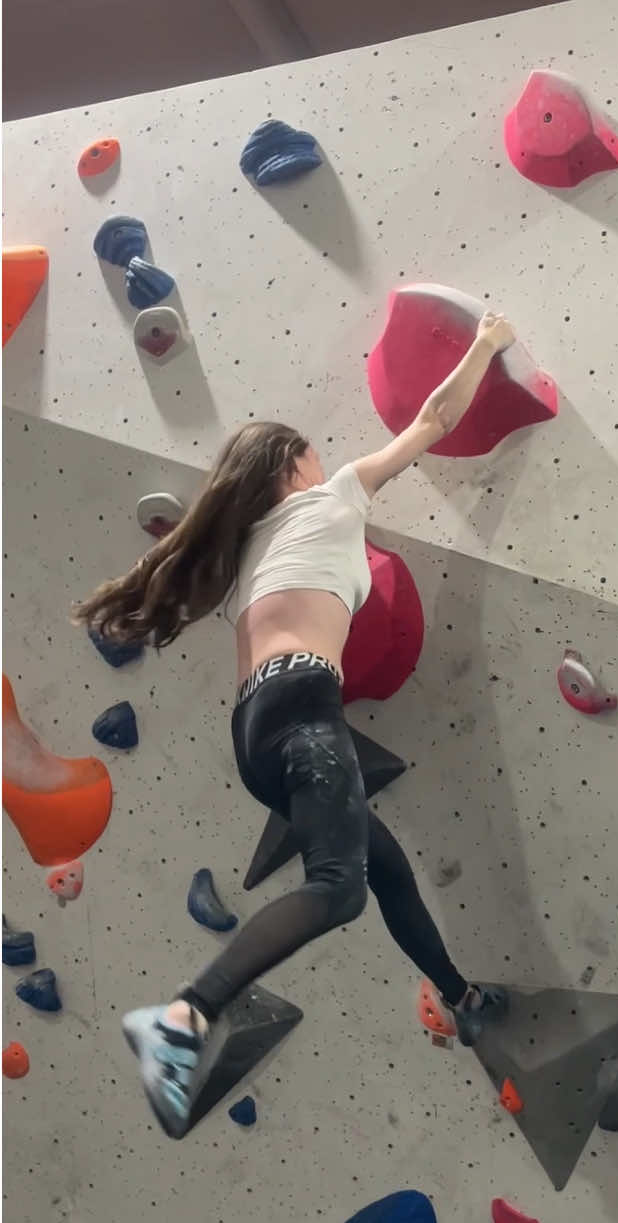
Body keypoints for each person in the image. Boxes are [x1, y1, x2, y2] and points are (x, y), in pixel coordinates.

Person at [74, 311, 516, 1138]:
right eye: (311, 451)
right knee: (338, 887)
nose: (323, 459)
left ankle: (461, 997)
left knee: (385, 869)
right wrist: (487, 342)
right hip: (306, 711)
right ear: (291, 466)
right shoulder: (333, 494)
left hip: (258, 732)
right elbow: (434, 419)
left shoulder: (244, 554)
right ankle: (185, 1014)